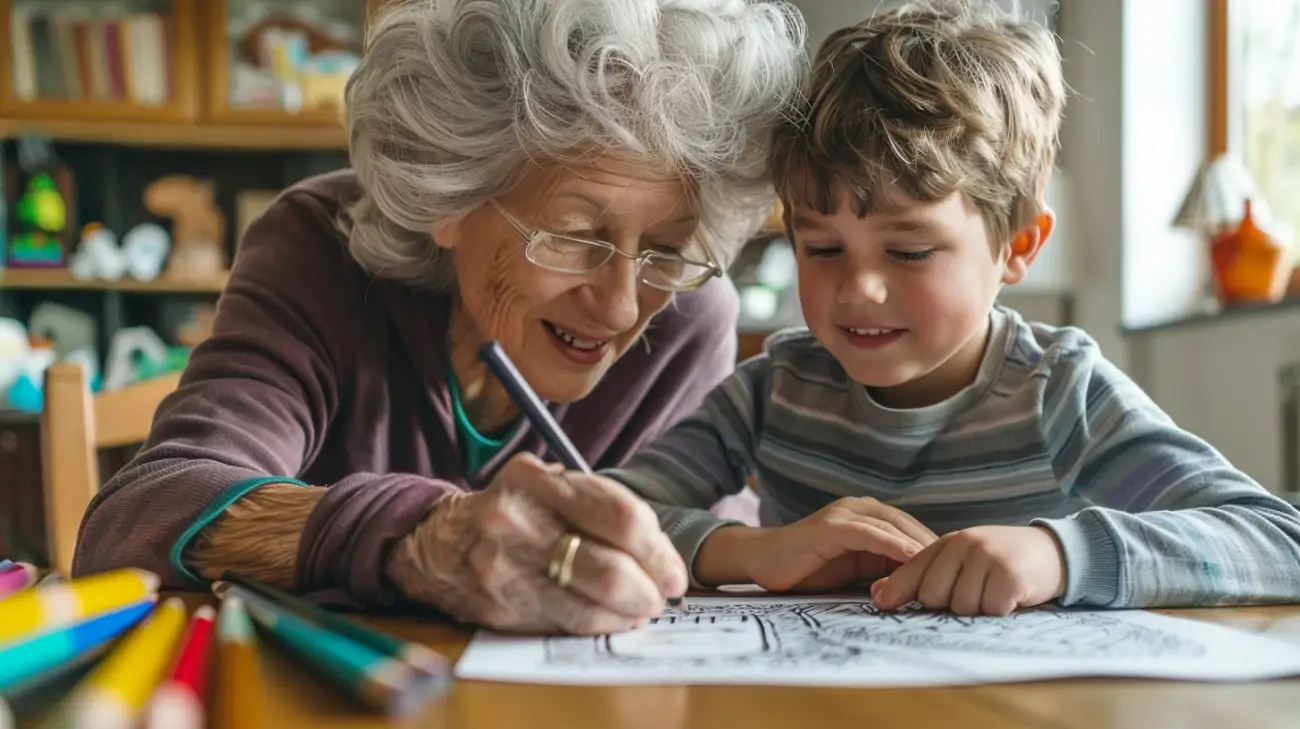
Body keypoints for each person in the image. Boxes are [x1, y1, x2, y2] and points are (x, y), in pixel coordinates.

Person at [72, 0, 808, 635]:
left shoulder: (683, 316)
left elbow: (710, 565)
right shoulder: (319, 254)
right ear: (449, 195)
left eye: (665, 248)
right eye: (574, 236)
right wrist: (417, 540)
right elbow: (139, 514)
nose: (621, 306)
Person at [599, 0, 1300, 616]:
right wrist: (753, 550)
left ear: (1017, 245)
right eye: (822, 249)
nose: (858, 289)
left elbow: (1277, 539)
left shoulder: (1059, 394)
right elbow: (604, 516)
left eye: (908, 253)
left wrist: (1057, 554)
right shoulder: (776, 387)